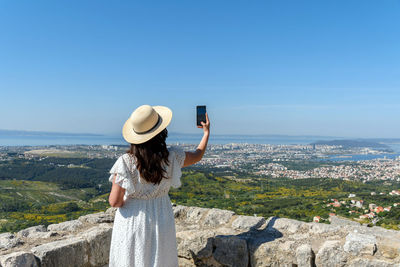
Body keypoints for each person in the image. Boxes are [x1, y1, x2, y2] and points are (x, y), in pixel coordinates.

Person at [108, 104, 210, 267]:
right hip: (162, 216)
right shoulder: (172, 157)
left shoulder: (125, 162)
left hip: (133, 220)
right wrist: (206, 133)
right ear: (161, 132)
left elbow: (115, 202)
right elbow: (198, 155)